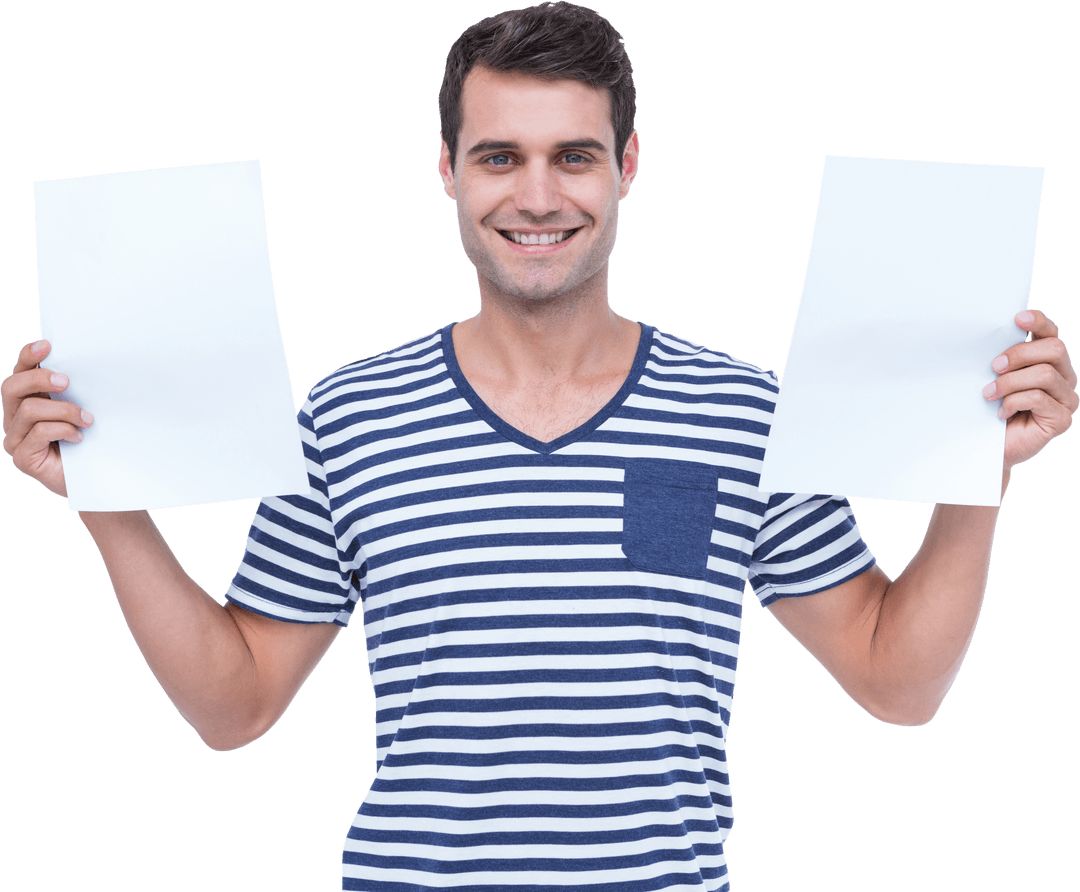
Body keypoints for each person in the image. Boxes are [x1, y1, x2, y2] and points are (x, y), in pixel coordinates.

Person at [2, 3, 1076, 890]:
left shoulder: (744, 413)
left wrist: (969, 454)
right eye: (499, 157)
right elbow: (235, 708)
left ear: (628, 166)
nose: (537, 195)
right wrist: (110, 491)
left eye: (574, 156)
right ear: (447, 172)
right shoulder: (347, 419)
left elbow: (900, 682)